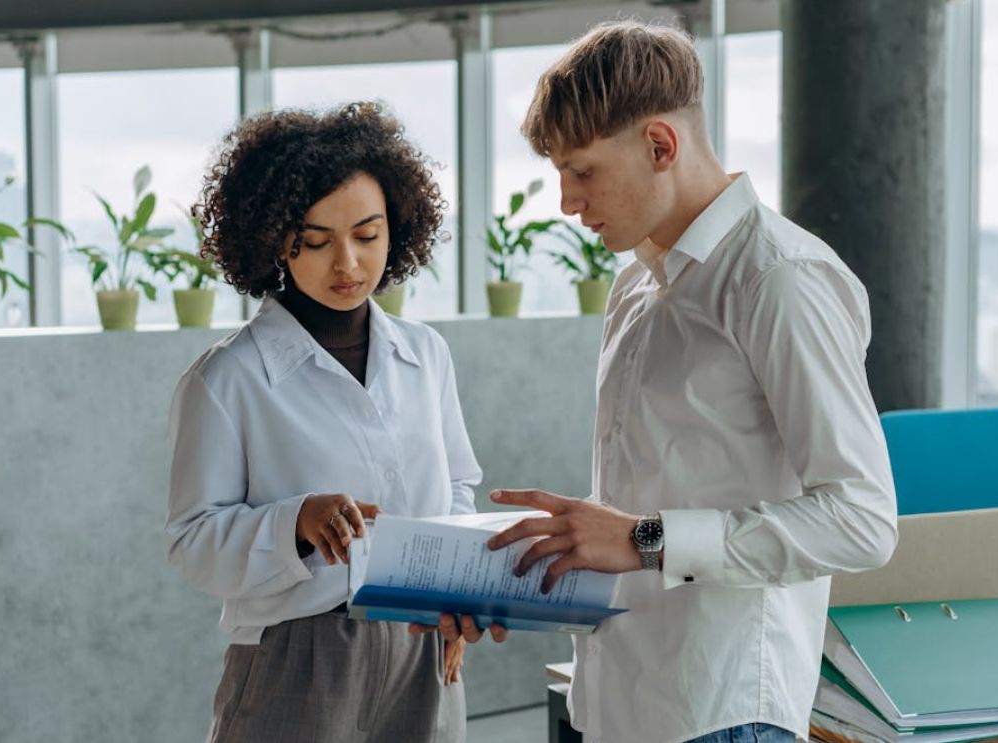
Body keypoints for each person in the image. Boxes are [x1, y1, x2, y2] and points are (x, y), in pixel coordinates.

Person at [479, 20, 899, 743]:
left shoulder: (779, 280)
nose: (566, 203)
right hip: (618, 698)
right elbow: (655, 507)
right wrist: (573, 544)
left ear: (659, 146)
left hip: (723, 710)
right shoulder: (635, 286)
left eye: (581, 171)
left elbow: (861, 520)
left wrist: (642, 537)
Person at [165, 102, 481, 743]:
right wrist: (297, 523)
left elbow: (457, 489)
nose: (348, 265)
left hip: (423, 645)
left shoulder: (426, 355)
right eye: (315, 241)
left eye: (367, 236)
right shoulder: (226, 379)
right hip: (297, 656)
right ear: (273, 238)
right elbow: (192, 542)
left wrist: (455, 594)